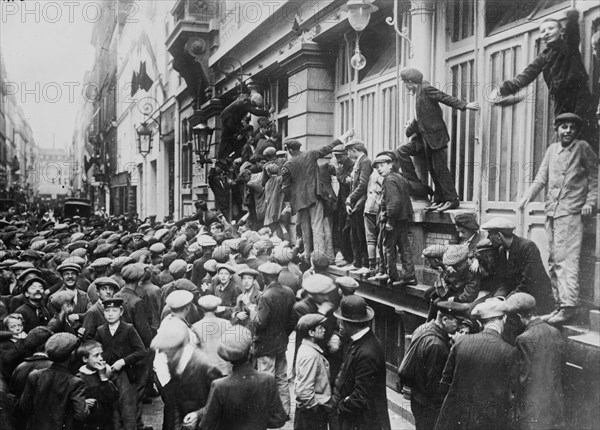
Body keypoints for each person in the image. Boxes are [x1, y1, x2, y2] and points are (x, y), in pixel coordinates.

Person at [518, 113, 598, 324]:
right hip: (552, 212)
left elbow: (595, 177)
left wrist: (590, 202)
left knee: (566, 260)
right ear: (557, 130)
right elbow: (541, 178)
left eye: (572, 127)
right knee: (554, 260)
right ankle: (559, 305)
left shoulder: (582, 148)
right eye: (564, 126)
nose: (568, 130)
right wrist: (526, 197)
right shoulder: (552, 150)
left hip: (571, 212)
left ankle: (569, 306)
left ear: (577, 131)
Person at [492, 9, 598, 147]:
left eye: (551, 28)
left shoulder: (569, 45)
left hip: (579, 97)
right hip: (560, 101)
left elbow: (572, 31)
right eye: (543, 31)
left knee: (582, 134)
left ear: (561, 32)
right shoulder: (543, 57)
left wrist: (572, 16)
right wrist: (501, 90)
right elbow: (525, 77)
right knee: (565, 138)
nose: (546, 32)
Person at [397, 67, 479, 212]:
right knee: (433, 170)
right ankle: (440, 198)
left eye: (405, 84)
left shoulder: (426, 88)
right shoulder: (418, 93)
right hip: (428, 140)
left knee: (441, 170)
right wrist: (408, 130)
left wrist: (465, 105)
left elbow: (444, 97)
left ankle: (452, 199)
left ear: (410, 82)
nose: (406, 87)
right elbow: (419, 120)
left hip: (436, 137)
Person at [435, 299, 518, 430]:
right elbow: (510, 395)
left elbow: (445, 383)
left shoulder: (461, 342)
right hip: (487, 421)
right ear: (504, 319)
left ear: (479, 322)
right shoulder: (509, 352)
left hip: (454, 418)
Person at [282, 129, 355, 263]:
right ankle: (319, 257)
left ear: (290, 150)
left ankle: (308, 255)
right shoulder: (310, 154)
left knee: (305, 230)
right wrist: (344, 137)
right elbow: (328, 148)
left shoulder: (287, 165)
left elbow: (285, 187)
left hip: (299, 202)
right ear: (299, 148)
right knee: (317, 228)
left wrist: (288, 203)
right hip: (315, 198)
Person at [199, 324, 288, 430]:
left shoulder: (219, 386)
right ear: (250, 350)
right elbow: (278, 420)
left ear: (226, 357)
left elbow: (206, 425)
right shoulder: (268, 380)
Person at [505, 293, 565, 430]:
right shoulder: (554, 332)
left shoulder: (523, 339)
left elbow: (522, 378)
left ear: (519, 316)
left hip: (532, 406)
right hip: (554, 403)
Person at [398, 302, 461, 430]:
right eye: (457, 322)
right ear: (445, 319)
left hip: (417, 397)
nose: (459, 327)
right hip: (428, 404)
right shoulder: (437, 346)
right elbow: (434, 385)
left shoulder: (423, 327)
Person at [151, 317, 222, 430]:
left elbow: (219, 403)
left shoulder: (207, 367)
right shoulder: (174, 363)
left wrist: (198, 415)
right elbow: (176, 402)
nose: (166, 356)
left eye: (167, 352)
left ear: (178, 347)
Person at [332, 295, 391, 430]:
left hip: (362, 423)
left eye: (341, 321)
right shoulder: (362, 341)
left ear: (348, 323)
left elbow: (361, 397)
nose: (339, 325)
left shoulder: (367, 352)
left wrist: (339, 407)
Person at [480, 217, 555, 317]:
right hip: (516, 294)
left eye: (489, 235)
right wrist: (498, 298)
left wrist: (504, 301)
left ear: (499, 236)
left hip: (537, 299)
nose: (488, 238)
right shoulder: (502, 250)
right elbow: (505, 281)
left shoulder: (527, 247)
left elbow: (528, 283)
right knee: (483, 306)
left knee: (494, 312)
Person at [94, 298, 147, 430]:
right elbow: (97, 351)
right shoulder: (101, 330)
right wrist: (102, 364)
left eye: (114, 310)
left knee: (128, 412)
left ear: (121, 311)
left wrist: (123, 362)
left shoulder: (128, 329)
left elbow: (141, 351)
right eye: (107, 311)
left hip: (126, 376)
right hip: (107, 374)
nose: (110, 314)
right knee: (112, 413)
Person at [251, 262, 296, 415]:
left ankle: (267, 414)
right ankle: (285, 411)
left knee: (266, 379)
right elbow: (292, 320)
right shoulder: (289, 292)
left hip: (265, 346)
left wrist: (252, 315)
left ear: (264, 277)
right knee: (282, 378)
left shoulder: (266, 296)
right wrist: (284, 334)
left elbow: (260, 323)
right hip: (281, 343)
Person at [19, 333, 89, 430]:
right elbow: (81, 415)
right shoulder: (75, 382)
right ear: (73, 353)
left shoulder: (35, 375)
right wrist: (86, 406)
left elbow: (24, 408)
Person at [373, 154, 416, 287]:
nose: (379, 169)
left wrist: (389, 221)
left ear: (390, 165)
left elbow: (393, 202)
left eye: (382, 165)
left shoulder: (389, 180)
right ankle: (409, 276)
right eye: (377, 167)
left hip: (394, 220)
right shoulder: (399, 178)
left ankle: (392, 276)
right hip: (403, 218)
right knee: (404, 247)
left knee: (388, 248)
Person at [294, 313, 333, 430]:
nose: (324, 330)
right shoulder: (310, 355)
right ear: (311, 333)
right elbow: (304, 391)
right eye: (320, 327)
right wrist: (315, 408)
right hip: (311, 414)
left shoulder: (309, 349)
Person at [76, 341, 119, 430]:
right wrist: (84, 402)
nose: (101, 358)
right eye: (96, 355)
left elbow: (113, 396)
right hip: (89, 424)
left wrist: (103, 376)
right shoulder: (79, 378)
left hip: (107, 422)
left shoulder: (103, 373)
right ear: (85, 359)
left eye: (101, 354)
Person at [191, 294, 233, 376]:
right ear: (217, 308)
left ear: (202, 309)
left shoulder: (195, 327)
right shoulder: (226, 324)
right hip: (225, 369)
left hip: (206, 370)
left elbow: (195, 351)